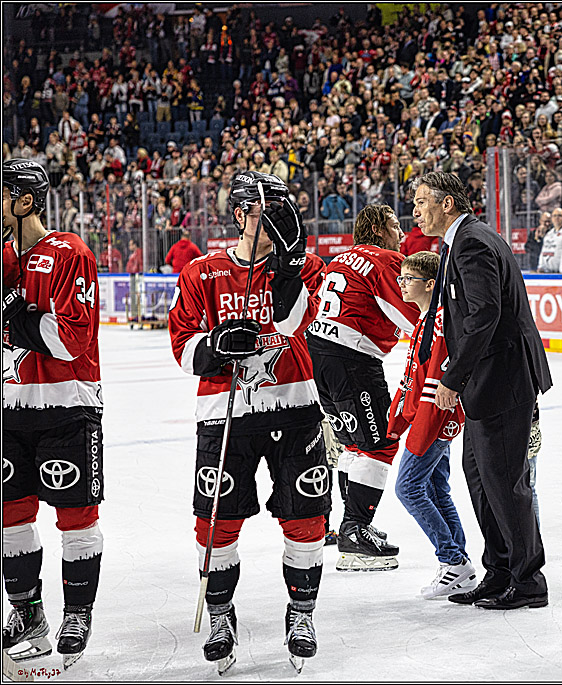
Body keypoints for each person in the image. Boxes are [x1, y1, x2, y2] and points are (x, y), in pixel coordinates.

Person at [168, 171, 328, 673]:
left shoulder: (307, 268)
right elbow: (182, 347)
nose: (278, 221)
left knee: (306, 521)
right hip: (225, 416)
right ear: (240, 215)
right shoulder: (201, 271)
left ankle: (301, 614)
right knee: (217, 526)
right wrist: (216, 347)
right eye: (267, 213)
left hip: (296, 408)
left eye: (285, 212)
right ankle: (220, 615)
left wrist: (290, 262)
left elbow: (291, 322)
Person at [411, 171, 552, 610]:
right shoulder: (458, 242)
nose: (416, 210)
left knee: (506, 484)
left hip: (503, 381)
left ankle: (528, 582)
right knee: (481, 480)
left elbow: (485, 315)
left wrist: (452, 379)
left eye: (421, 201)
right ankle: (500, 571)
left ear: (447, 203)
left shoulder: (471, 242)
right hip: (487, 384)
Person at [2, 160, 103, 669]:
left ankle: (77, 614)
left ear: (25, 201)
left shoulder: (70, 253)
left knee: (76, 518)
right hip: (9, 406)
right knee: (9, 515)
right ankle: (28, 613)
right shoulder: (1, 258)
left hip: (68, 404)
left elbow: (71, 339)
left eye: (3, 195)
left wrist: (16, 314)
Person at [307, 204, 419, 571]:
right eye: (393, 226)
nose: (401, 234)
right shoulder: (385, 259)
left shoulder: (340, 259)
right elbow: (409, 314)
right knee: (381, 442)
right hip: (351, 359)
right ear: (376, 229)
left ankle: (349, 528)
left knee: (353, 444)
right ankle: (356, 531)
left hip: (319, 354)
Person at [388, 251, 475, 599]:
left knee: (408, 488)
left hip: (434, 420)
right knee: (437, 490)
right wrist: (397, 419)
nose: (402, 285)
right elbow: (412, 376)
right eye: (401, 278)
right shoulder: (424, 320)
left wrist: (421, 427)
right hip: (426, 419)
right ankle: (461, 567)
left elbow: (435, 382)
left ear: (429, 284)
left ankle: (452, 560)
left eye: (408, 279)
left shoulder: (438, 322)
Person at [537, 207, 562, 274]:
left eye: (559, 216)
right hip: (547, 272)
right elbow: (543, 251)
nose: (557, 218)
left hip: (559, 274)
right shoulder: (549, 234)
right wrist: (540, 267)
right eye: (554, 216)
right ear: (551, 219)